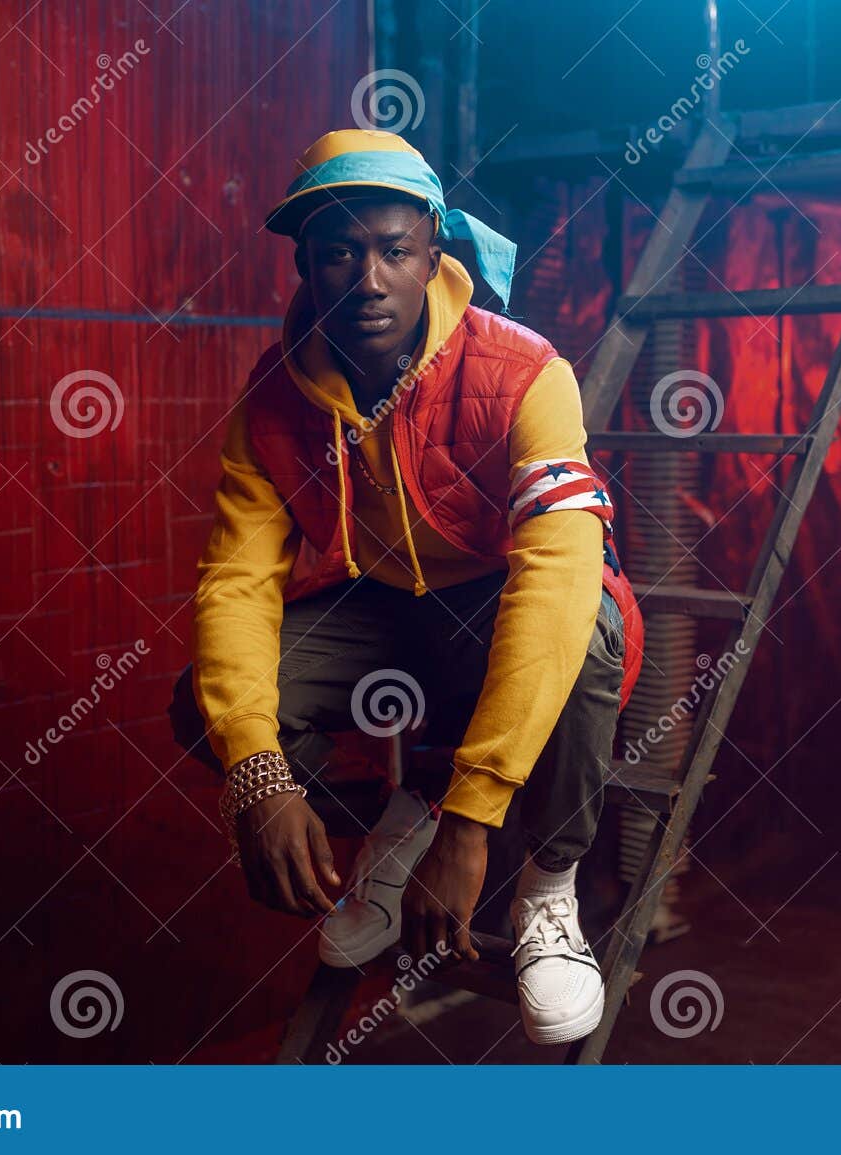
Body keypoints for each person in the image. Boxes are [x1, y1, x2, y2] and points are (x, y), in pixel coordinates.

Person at [167, 128, 643, 1046]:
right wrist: (258, 780)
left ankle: (549, 881)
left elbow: (555, 576)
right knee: (210, 705)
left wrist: (475, 825)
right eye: (340, 251)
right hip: (390, 613)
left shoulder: (526, 371)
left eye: (393, 250)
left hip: (508, 601)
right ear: (306, 262)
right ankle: (400, 823)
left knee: (580, 624)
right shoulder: (275, 397)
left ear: (434, 252)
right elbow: (235, 583)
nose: (369, 277)